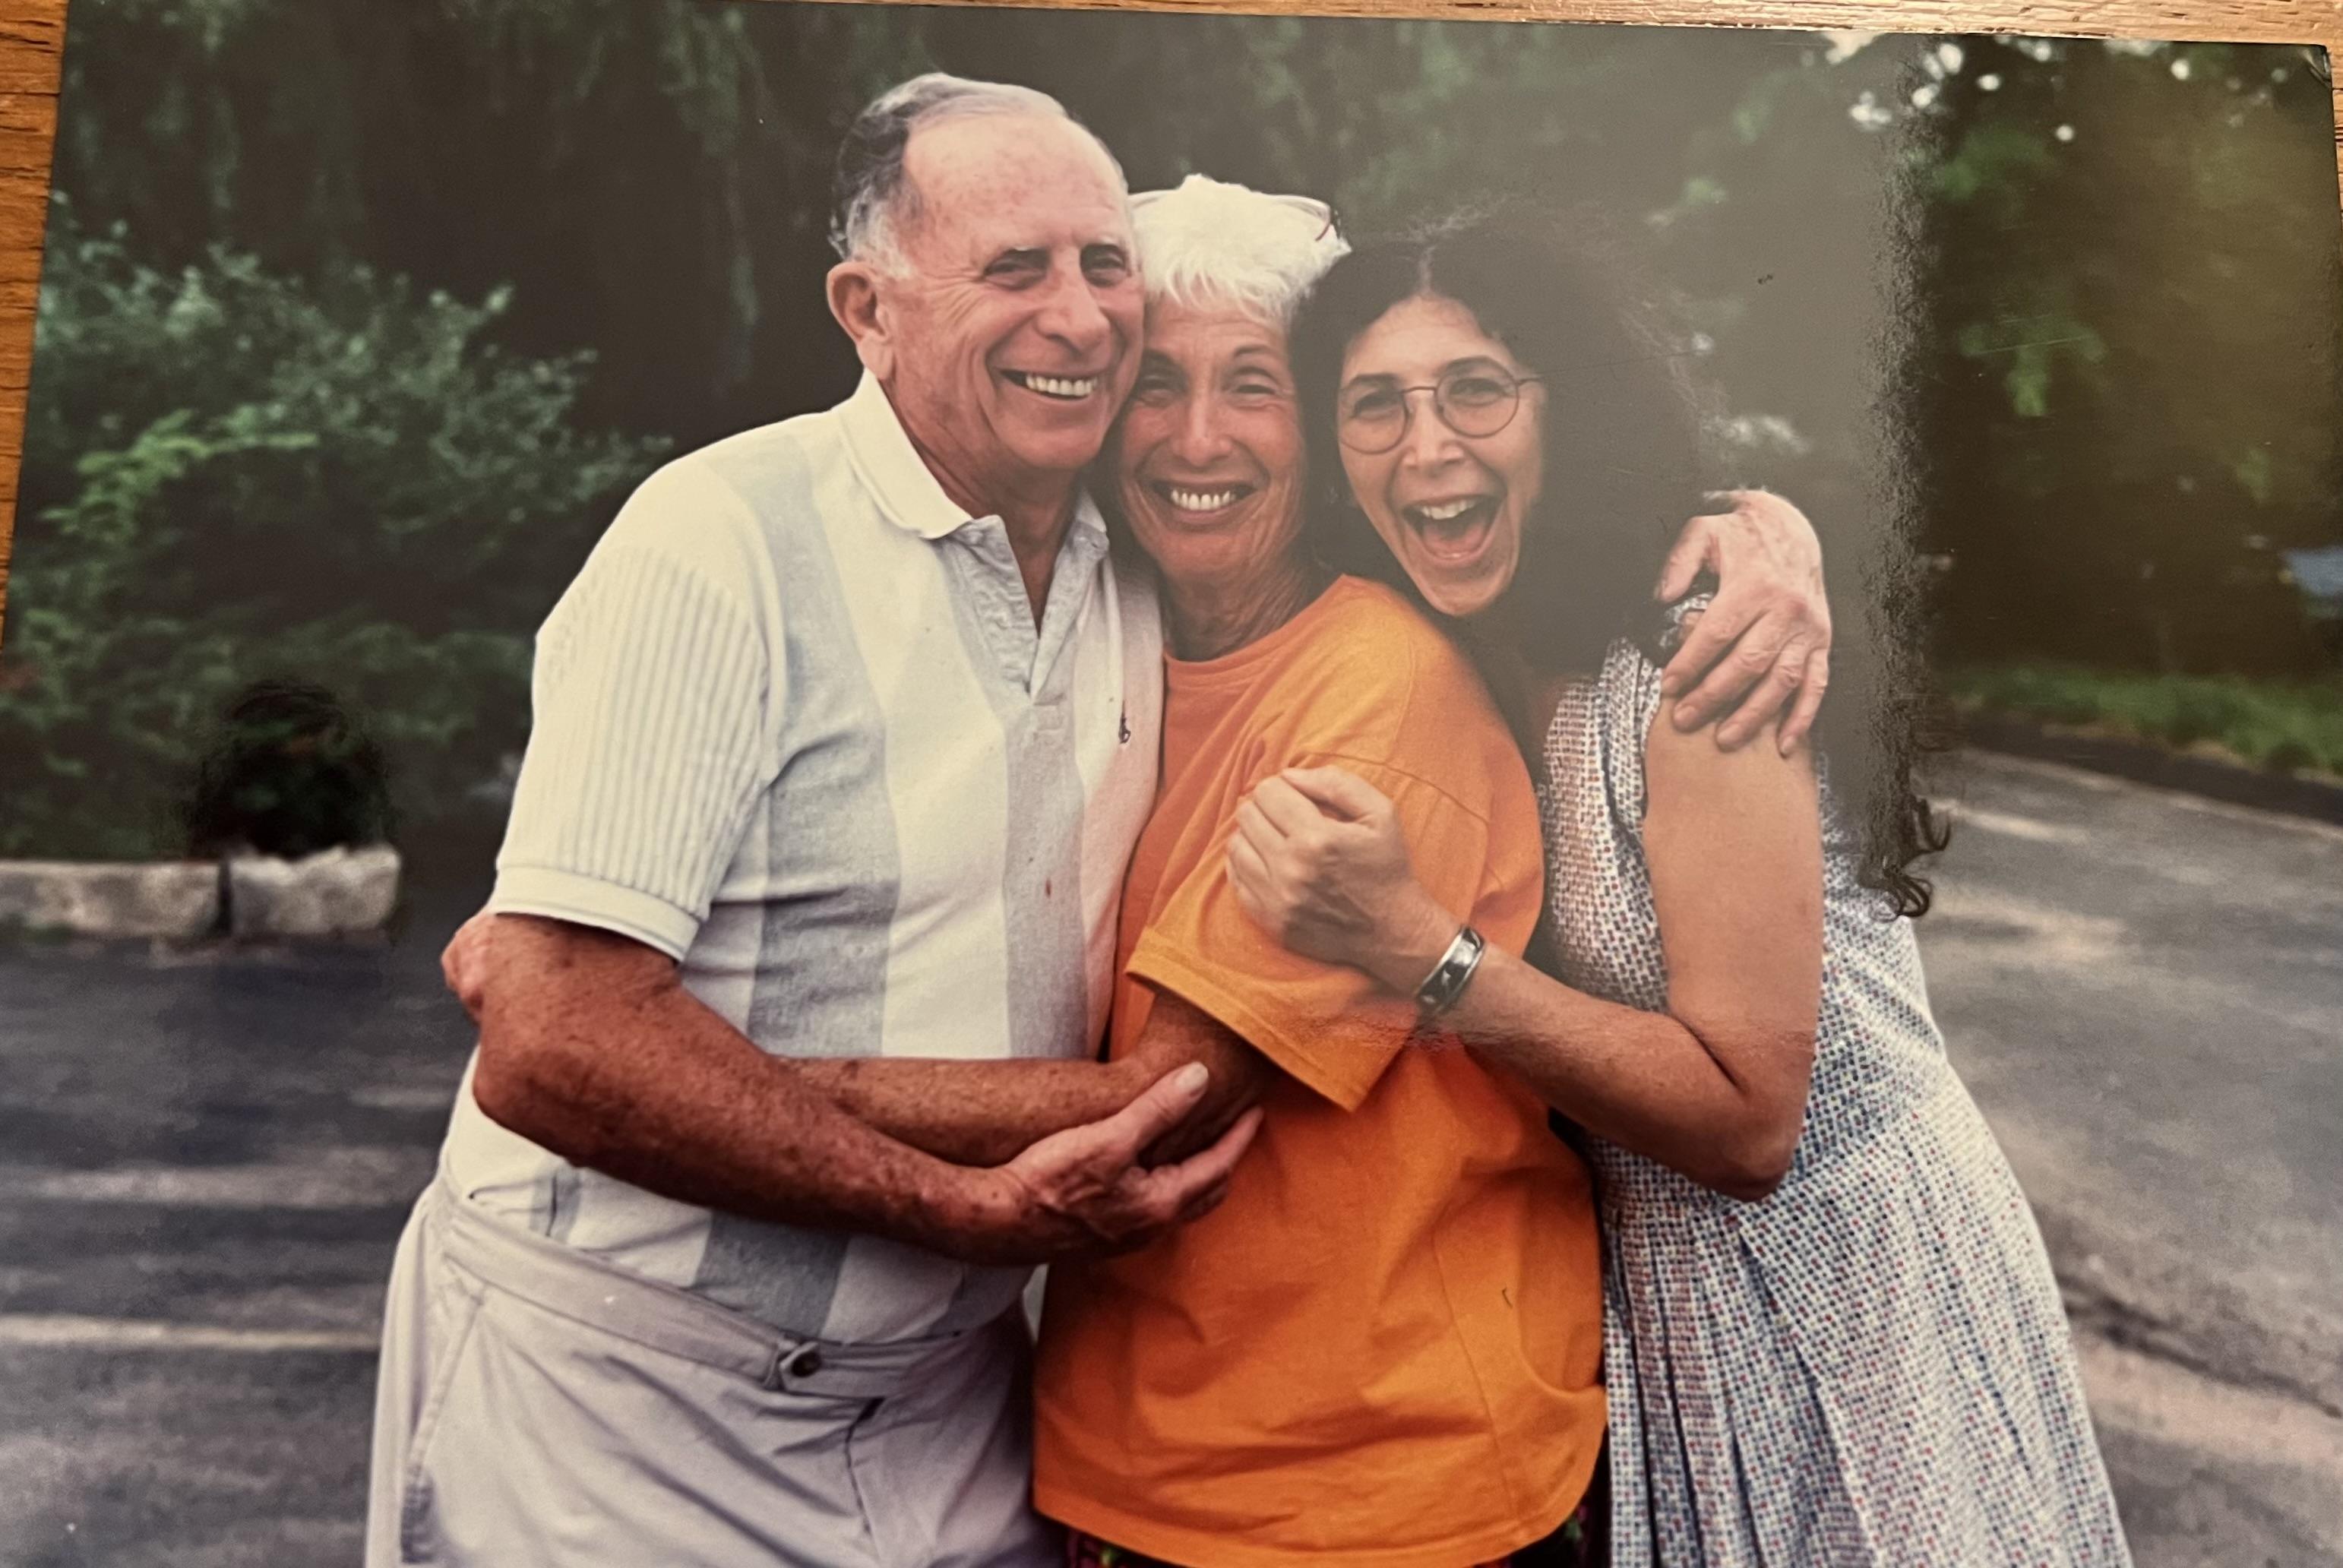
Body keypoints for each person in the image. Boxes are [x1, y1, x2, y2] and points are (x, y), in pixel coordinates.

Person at [420, 81, 1833, 1566]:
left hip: (1344, 1475)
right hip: (994, 1443)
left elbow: (1172, 1096)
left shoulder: (1361, 670)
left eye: (1257, 384)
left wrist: (650, 1058)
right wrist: (591, 1032)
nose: (1192, 429)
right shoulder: (1077, 602)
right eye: (1157, 379)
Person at [368, 74, 1262, 1568]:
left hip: (953, 1418)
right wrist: (951, 1208)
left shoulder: (1150, 549)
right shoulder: (722, 539)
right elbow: (550, 1044)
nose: (1086, 315)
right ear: (868, 307)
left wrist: (1739, 527)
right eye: (1014, 268)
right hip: (620, 1418)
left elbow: (1427, 438)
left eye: (1108, 265)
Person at [1232, 208, 2135, 1566]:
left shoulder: (1688, 663)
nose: (1427, 446)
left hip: (1847, 1298)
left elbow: (1749, 1121)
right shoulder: (1456, 652)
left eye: (1477, 388)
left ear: (1568, 410)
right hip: (1660, 1302)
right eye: (1373, 407)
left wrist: (1423, 952)